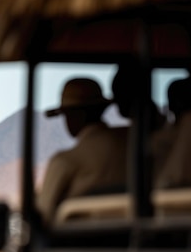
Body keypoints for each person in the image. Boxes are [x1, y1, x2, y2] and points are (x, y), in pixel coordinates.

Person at [38, 78, 128, 225]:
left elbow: (43, 217)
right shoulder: (135, 146)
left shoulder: (65, 161)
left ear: (75, 116)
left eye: (66, 115)